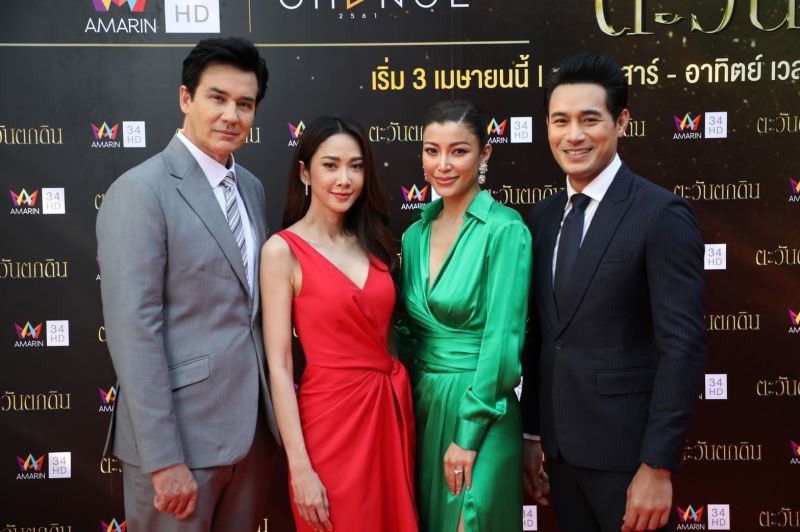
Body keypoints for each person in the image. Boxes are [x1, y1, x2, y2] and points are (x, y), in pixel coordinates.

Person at [96, 38, 281, 531]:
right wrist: (163, 458)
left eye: (245, 104)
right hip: (180, 447)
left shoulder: (251, 188)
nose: (231, 115)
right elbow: (134, 331)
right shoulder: (140, 190)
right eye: (217, 98)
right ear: (185, 98)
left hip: (252, 438)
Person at [521, 53, 707, 532]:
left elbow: (682, 348)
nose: (573, 135)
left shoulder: (659, 213)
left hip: (629, 459)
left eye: (590, 120)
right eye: (560, 121)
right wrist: (533, 434)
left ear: (621, 122)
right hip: (560, 456)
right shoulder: (543, 217)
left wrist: (657, 465)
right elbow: (542, 336)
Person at [260, 115, 418, 532]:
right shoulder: (281, 251)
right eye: (330, 165)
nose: (344, 179)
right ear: (304, 172)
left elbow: (387, 340)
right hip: (328, 426)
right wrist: (300, 467)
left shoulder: (376, 242)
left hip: (388, 416)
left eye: (356, 166)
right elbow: (280, 367)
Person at [396, 99, 532, 532]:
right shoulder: (413, 235)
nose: (443, 164)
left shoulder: (505, 229)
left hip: (483, 411)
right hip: (423, 406)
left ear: (484, 153)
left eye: (458, 151)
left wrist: (467, 435)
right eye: (431, 150)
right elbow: (405, 332)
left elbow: (503, 341)